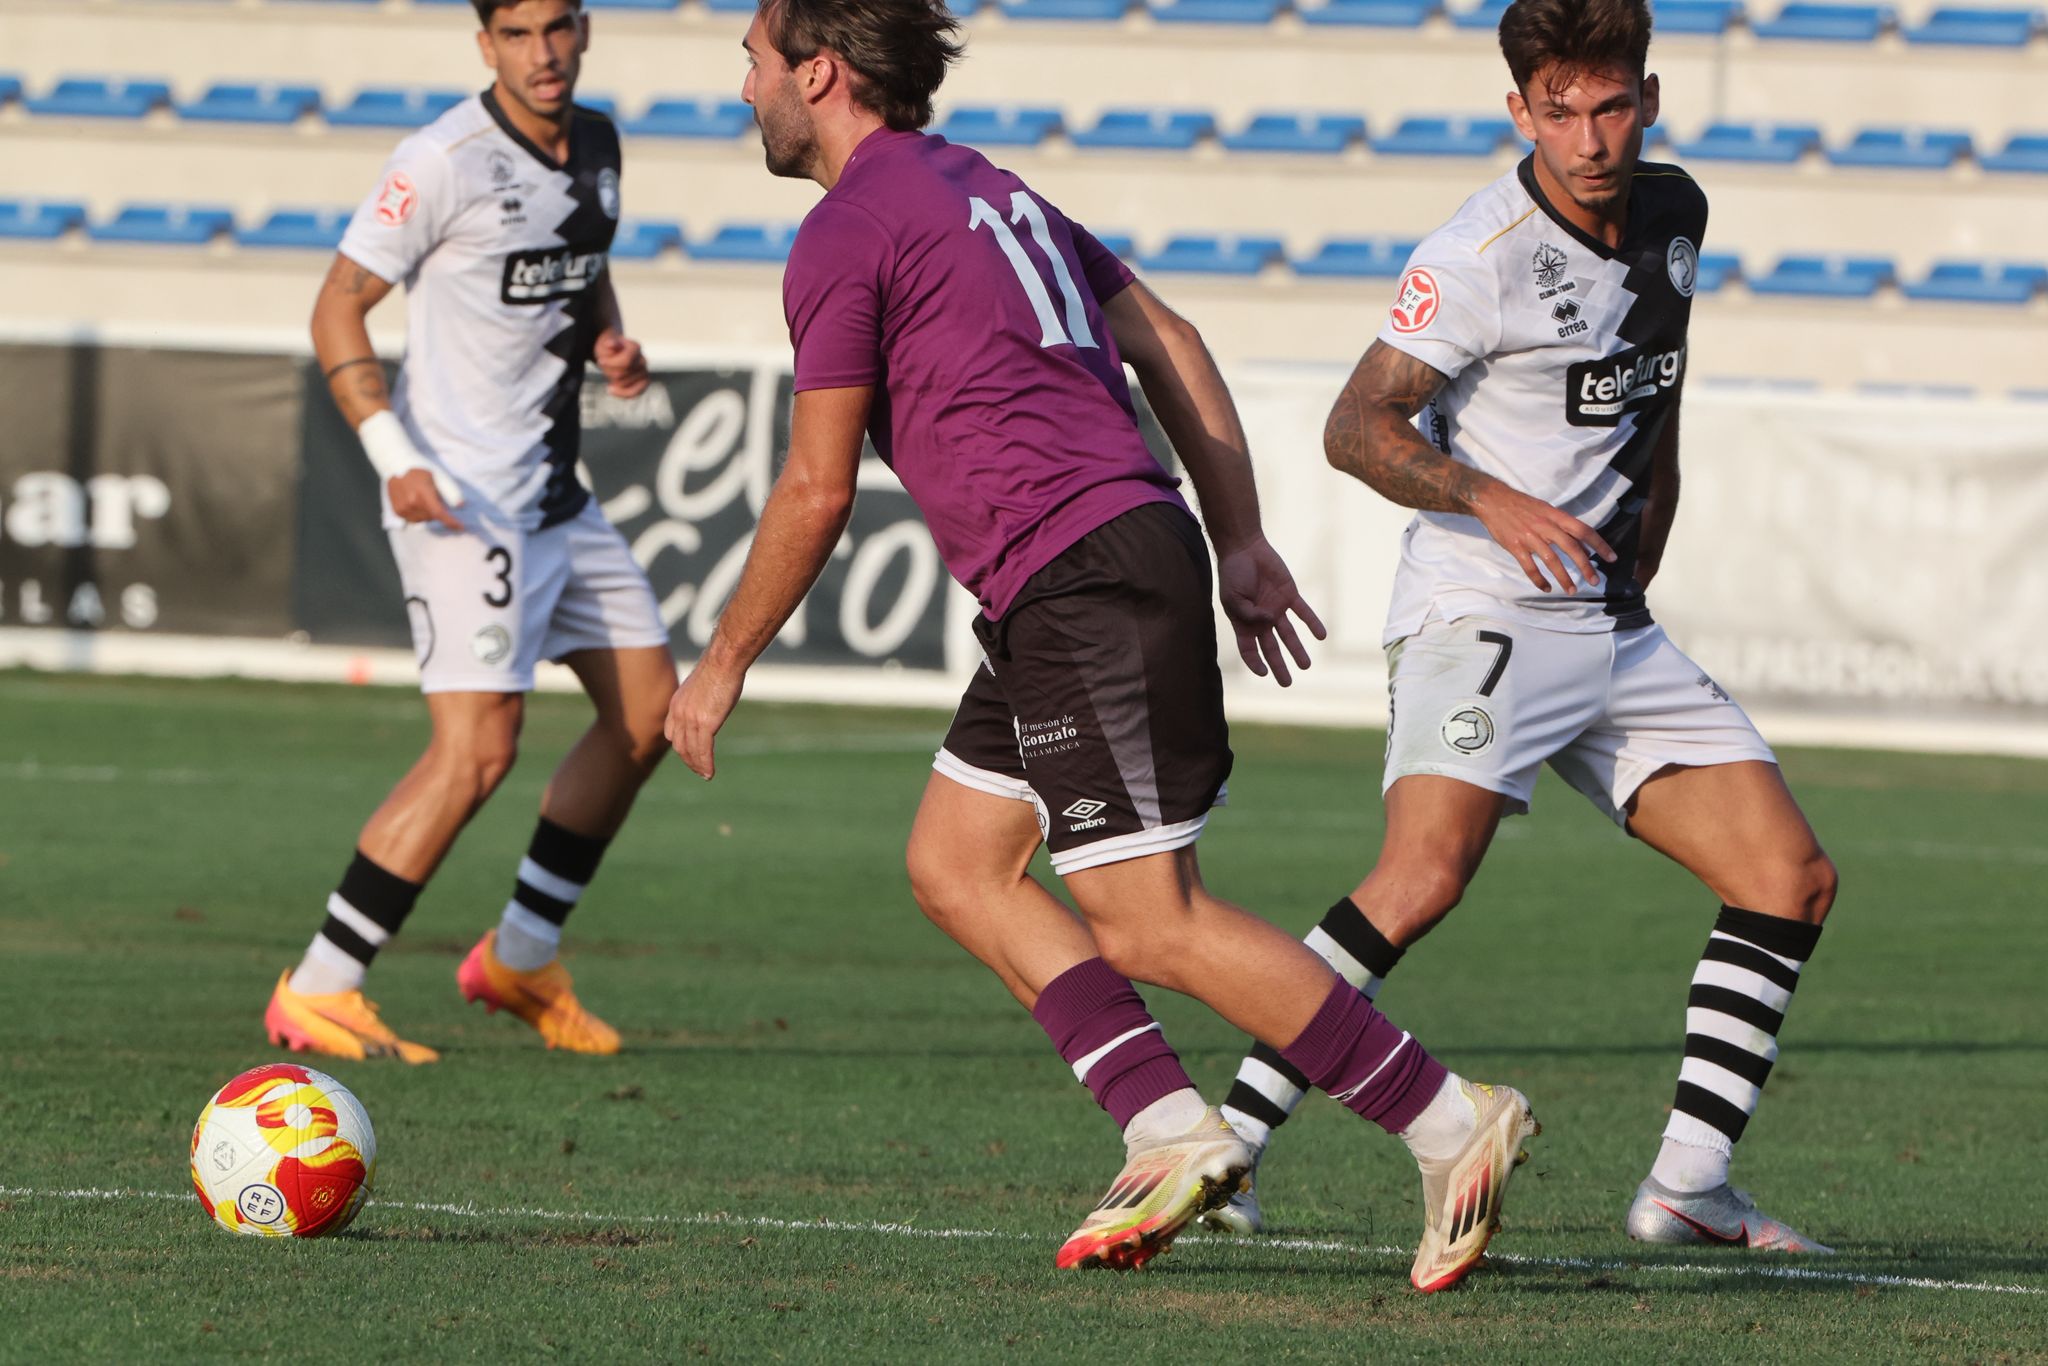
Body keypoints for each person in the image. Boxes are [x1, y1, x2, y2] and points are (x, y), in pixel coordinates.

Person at [663, 0, 1541, 1290]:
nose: (741, 89)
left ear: (820, 73)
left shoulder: (843, 231)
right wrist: (1233, 538)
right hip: (1080, 573)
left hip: (1078, 576)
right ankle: (1166, 1126)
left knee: (1147, 919)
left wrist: (723, 658)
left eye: (751, 63)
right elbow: (1169, 340)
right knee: (957, 862)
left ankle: (1449, 1123)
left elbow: (814, 486)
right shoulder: (995, 190)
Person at [1208, 0, 1839, 1253]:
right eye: (1559, 112)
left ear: (1646, 99)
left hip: (1608, 616)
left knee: (1787, 877)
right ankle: (1225, 1148)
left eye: (1609, 106)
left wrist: (1654, 506)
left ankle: (1686, 1186)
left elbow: (1652, 382)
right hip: (1482, 601)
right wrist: (1491, 499)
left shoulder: (1675, 214)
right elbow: (1357, 427)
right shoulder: (1477, 251)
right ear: (1519, 112)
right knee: (1421, 877)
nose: (1589, 138)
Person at [265, 0, 674, 1062]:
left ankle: (520, 957)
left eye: (560, 28)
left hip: (555, 494)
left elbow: (579, 265)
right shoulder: (439, 160)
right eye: (520, 33)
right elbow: (335, 309)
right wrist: (396, 459)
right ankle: (320, 983)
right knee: (477, 749)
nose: (545, 53)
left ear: (583, 30)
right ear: (484, 43)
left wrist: (608, 342)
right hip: (459, 501)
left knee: (647, 714)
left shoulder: (599, 143)